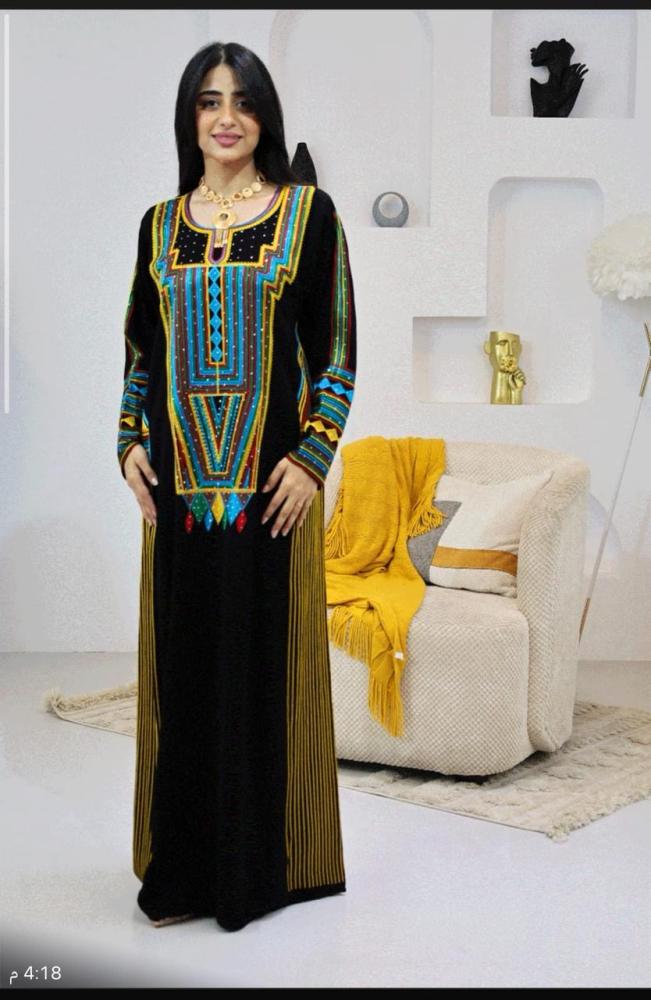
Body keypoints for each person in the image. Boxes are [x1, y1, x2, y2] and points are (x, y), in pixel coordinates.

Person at [117, 41, 357, 933]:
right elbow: (140, 352)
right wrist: (127, 443)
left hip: (272, 492)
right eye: (210, 101)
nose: (227, 117)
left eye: (243, 102)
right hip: (178, 492)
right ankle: (180, 874)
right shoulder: (158, 226)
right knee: (184, 677)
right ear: (190, 117)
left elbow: (337, 349)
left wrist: (312, 457)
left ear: (264, 117)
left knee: (260, 677)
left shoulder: (307, 214)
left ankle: (258, 874)